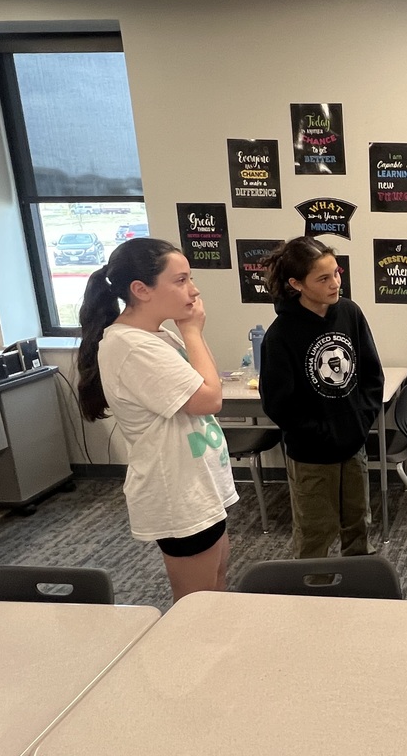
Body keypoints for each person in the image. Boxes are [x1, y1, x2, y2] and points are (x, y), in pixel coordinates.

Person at [77, 237, 236, 603]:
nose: (193, 290)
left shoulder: (157, 335)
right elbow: (209, 398)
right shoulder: (131, 346)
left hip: (198, 486)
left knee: (218, 585)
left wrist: (189, 332)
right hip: (176, 492)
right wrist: (193, 331)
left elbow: (203, 377)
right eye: (180, 280)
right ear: (140, 290)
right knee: (197, 603)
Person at [259, 236, 383, 560]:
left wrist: (360, 422)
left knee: (359, 526)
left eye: (336, 273)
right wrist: (321, 432)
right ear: (296, 284)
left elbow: (372, 374)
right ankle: (313, 601)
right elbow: (278, 403)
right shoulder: (281, 334)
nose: (335, 283)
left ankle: (359, 595)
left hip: (353, 447)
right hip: (311, 456)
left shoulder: (349, 313)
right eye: (323, 278)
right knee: (316, 534)